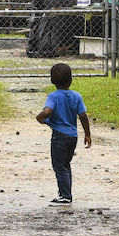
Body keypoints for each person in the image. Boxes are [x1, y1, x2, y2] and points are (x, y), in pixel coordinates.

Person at [36, 62, 91, 205]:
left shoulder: (53, 96)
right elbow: (83, 116)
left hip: (59, 136)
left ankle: (65, 195)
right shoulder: (76, 96)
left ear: (52, 81)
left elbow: (48, 111)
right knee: (66, 165)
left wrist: (40, 117)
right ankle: (66, 193)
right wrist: (87, 134)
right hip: (73, 136)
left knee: (59, 166)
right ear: (71, 80)